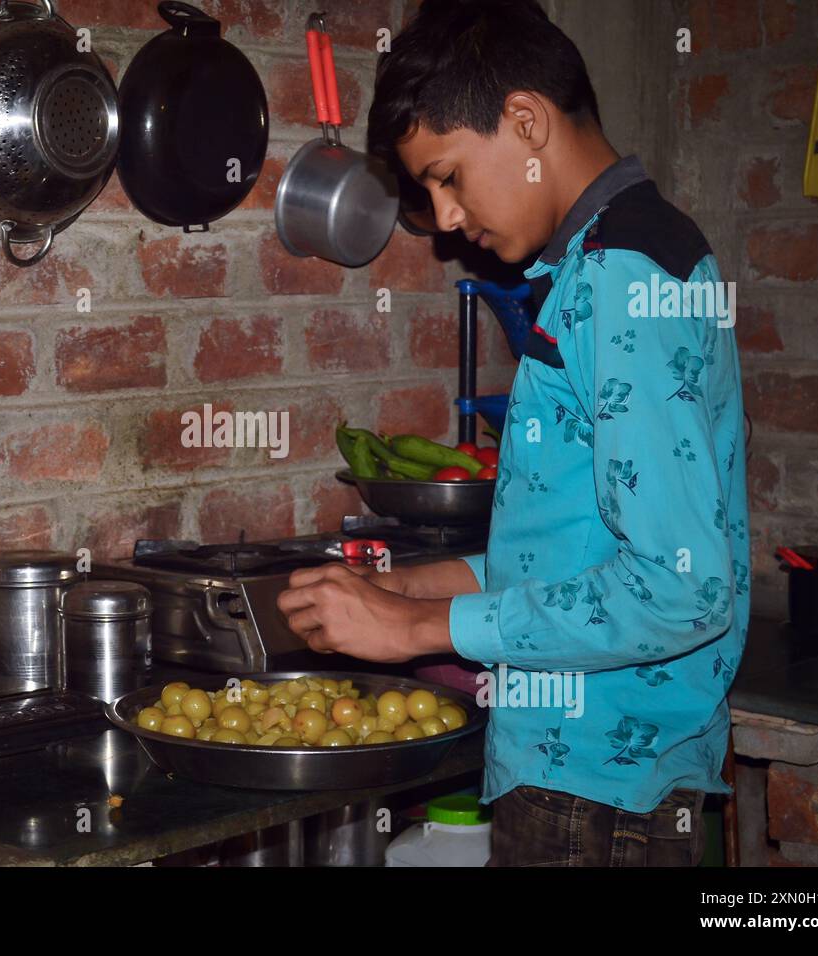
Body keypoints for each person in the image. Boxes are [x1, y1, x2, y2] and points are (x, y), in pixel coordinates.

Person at [276, 0, 750, 867]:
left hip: (597, 793)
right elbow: (585, 556)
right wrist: (416, 589)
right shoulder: (621, 261)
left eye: (449, 174)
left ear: (525, 120)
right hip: (603, 773)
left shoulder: (619, 280)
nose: (446, 218)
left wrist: (414, 632)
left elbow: (682, 590)